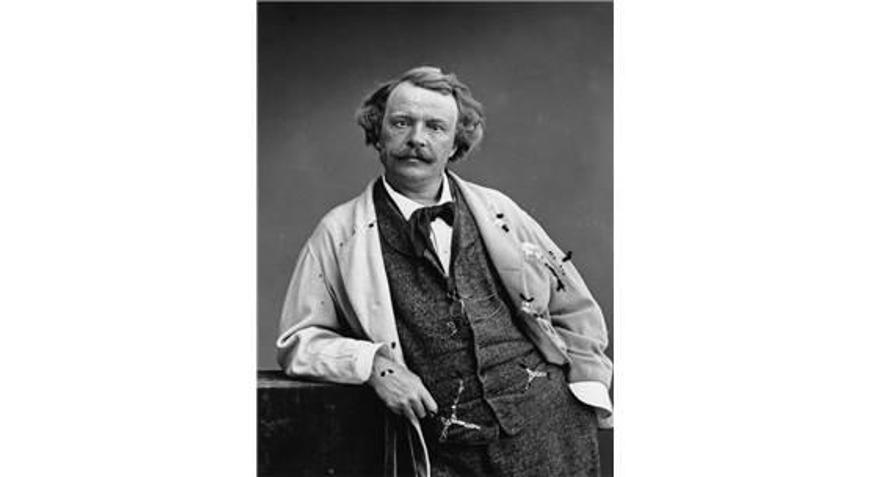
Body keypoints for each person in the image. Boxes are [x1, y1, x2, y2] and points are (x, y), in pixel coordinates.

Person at [277, 66, 612, 477]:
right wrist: (376, 366)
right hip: (443, 450)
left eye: (435, 127)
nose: (416, 138)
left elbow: (572, 304)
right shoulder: (339, 232)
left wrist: (587, 384)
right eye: (401, 123)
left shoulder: (499, 210)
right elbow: (299, 342)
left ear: (455, 144)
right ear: (378, 134)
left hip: (551, 430)